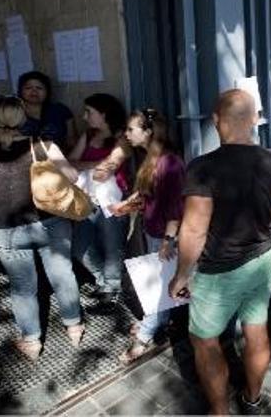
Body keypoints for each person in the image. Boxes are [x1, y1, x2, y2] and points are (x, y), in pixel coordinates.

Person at [168, 89, 271, 415]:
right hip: (264, 259)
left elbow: (194, 229)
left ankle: (220, 411)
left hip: (219, 271)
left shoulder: (204, 167)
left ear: (216, 121)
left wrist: (181, 274)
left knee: (205, 342)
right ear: (254, 119)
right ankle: (252, 398)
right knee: (256, 330)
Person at [0, 96, 83, 360]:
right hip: (51, 223)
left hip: (5, 230)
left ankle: (32, 341)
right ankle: (74, 326)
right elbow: (72, 177)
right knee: (62, 275)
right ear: (22, 117)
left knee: (22, 287)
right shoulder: (42, 145)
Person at [112, 108, 186, 364]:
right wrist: (125, 205)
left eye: (131, 129)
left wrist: (168, 240)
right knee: (161, 285)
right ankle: (158, 322)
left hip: (164, 235)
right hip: (153, 231)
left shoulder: (170, 163)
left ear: (148, 132)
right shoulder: (151, 158)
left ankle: (144, 337)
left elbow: (177, 208)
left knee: (159, 289)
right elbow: (146, 192)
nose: (126, 134)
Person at [69, 93, 131, 303]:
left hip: (113, 201)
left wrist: (88, 166)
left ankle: (111, 290)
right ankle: (104, 281)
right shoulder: (88, 135)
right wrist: (96, 164)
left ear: (104, 114)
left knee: (113, 247)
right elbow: (70, 163)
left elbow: (105, 171)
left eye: (89, 112)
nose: (85, 117)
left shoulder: (122, 137)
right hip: (87, 200)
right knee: (79, 247)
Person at [17, 71, 77, 150]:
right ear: (20, 91)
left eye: (39, 88)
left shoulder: (61, 111)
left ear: (47, 91)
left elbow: (71, 140)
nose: (34, 91)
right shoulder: (13, 113)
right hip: (23, 159)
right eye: (28, 88)